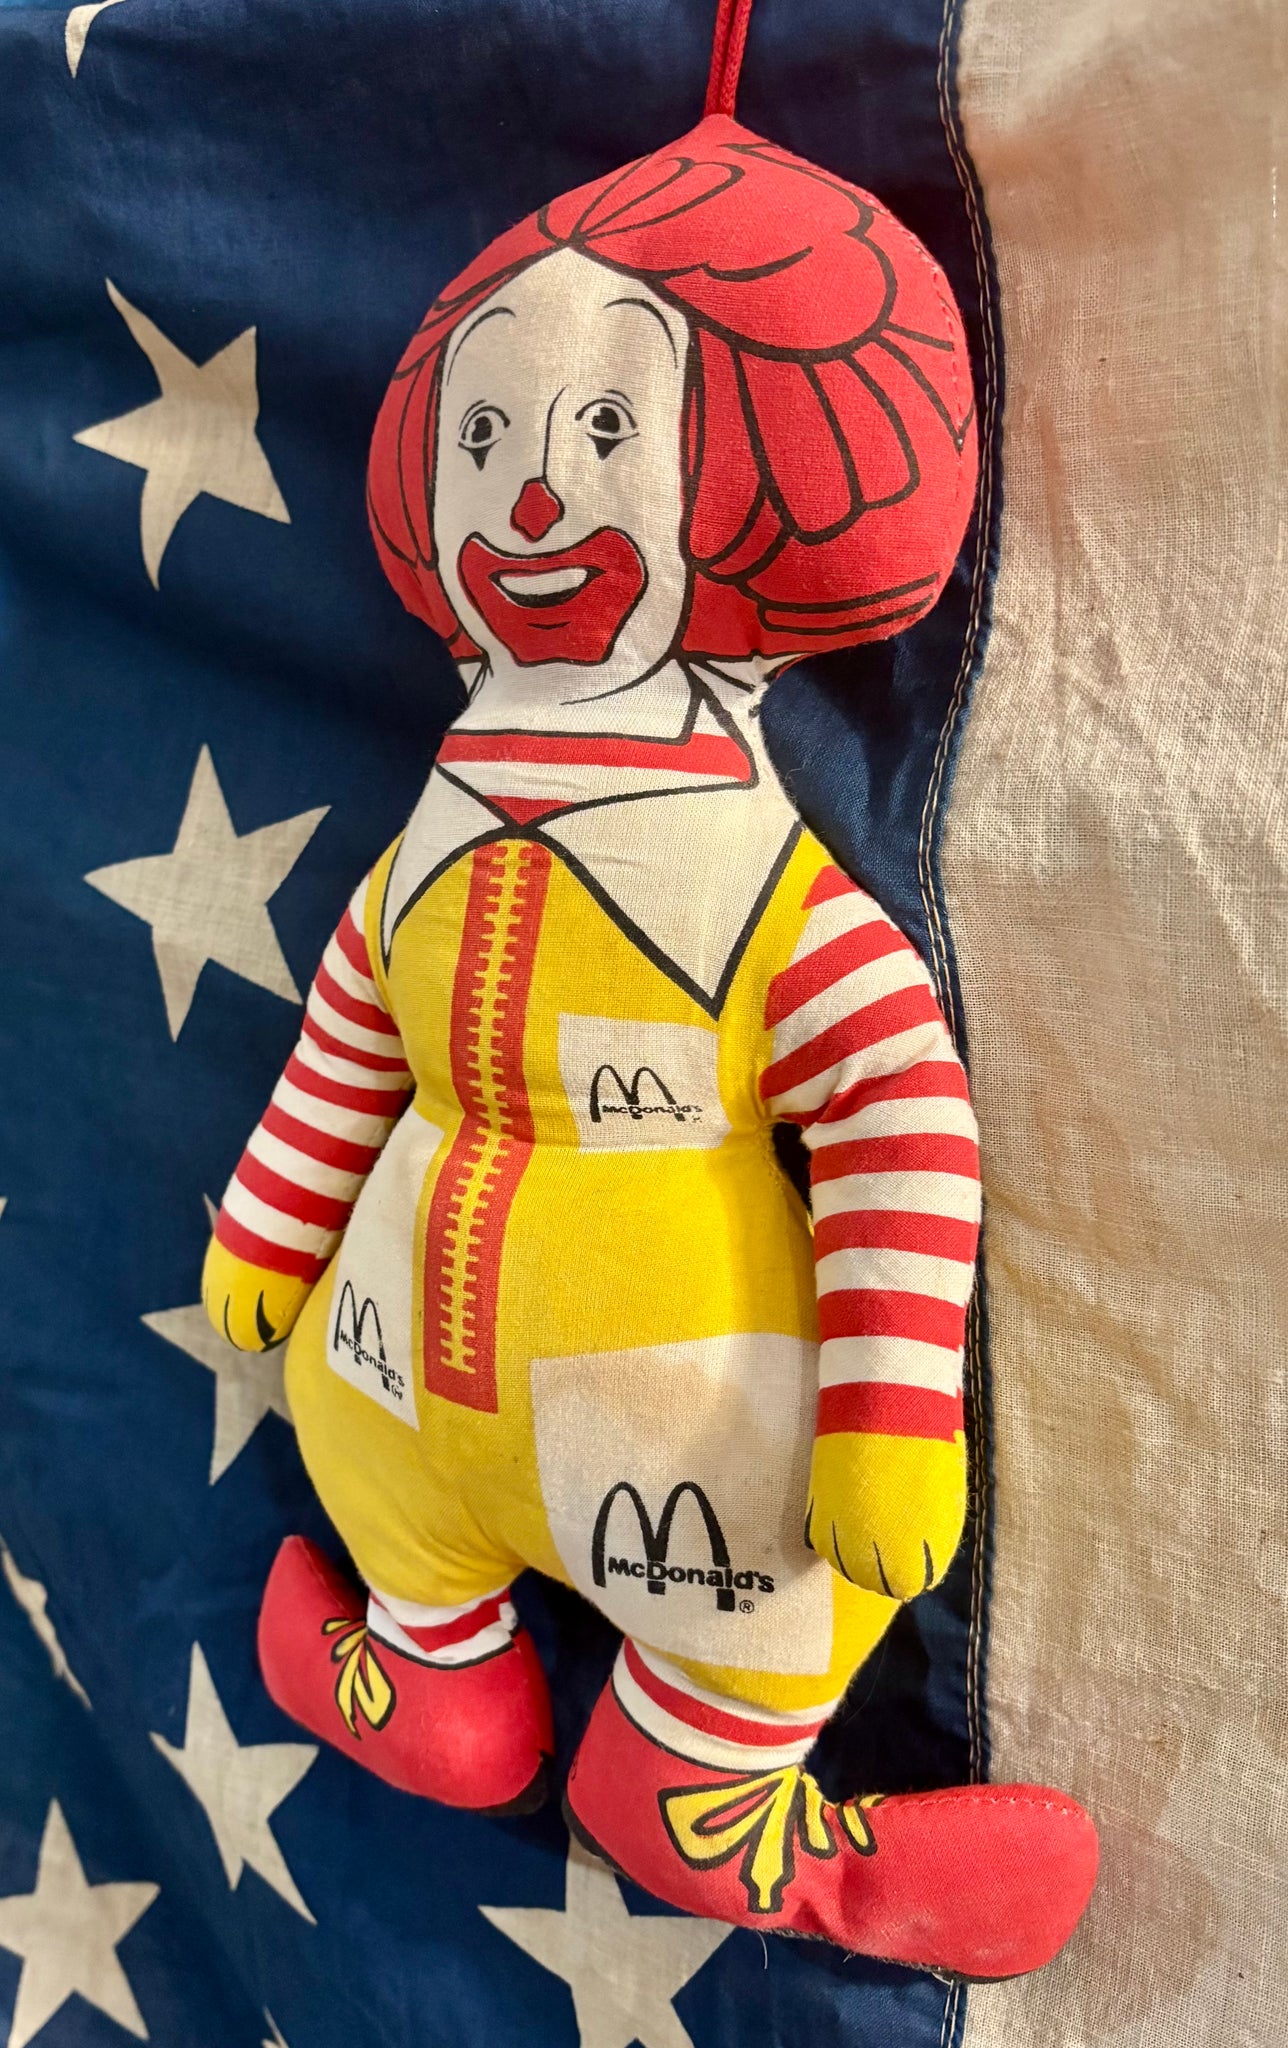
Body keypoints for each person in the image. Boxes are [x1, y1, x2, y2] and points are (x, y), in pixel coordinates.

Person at [203, 115, 1096, 1978]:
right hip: (396, 1363)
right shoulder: (442, 821)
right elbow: (358, 1014)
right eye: (486, 440)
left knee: (762, 1590)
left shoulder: (752, 882)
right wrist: (273, 1225)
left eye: (606, 429)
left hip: (686, 1436)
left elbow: (898, 1106)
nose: (531, 501)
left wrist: (887, 1415)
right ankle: (432, 1678)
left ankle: (720, 1810)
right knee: (382, 1472)